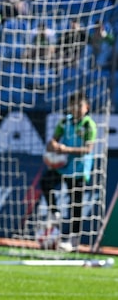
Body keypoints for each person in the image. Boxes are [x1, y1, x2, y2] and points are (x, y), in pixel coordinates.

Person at [39, 92, 96, 252]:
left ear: (86, 107)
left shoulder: (88, 125)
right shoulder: (64, 122)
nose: (75, 109)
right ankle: (54, 211)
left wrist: (66, 149)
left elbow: (88, 149)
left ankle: (73, 241)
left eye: (79, 106)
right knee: (45, 182)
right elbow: (53, 140)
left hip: (78, 168)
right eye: (73, 105)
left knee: (75, 204)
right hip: (63, 166)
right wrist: (53, 146)